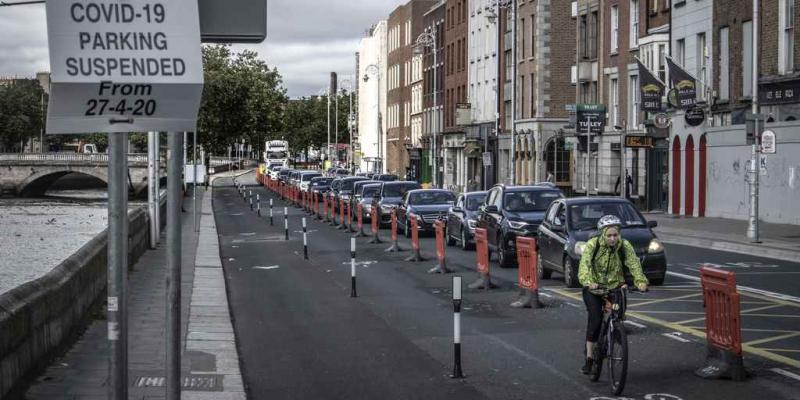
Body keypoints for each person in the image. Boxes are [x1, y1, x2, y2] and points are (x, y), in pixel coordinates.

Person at [577, 215, 648, 375]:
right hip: (594, 289)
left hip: (615, 287)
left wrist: (640, 281)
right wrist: (589, 281)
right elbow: (584, 265)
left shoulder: (624, 245)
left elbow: (633, 263)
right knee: (595, 320)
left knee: (618, 316)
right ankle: (589, 357)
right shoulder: (593, 245)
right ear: (602, 234)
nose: (613, 238)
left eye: (615, 235)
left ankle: (613, 333)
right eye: (609, 235)